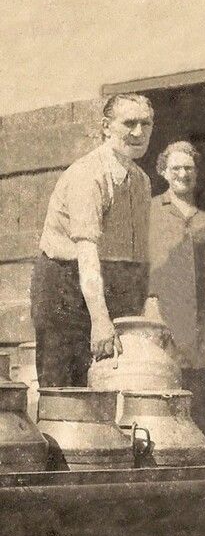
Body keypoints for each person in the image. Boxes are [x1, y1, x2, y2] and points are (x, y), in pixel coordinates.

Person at [30, 93, 154, 387]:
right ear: (106, 127)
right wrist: (100, 321)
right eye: (129, 123)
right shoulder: (89, 175)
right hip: (67, 286)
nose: (138, 132)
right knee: (66, 391)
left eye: (146, 124)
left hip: (111, 284)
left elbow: (139, 256)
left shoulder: (142, 180)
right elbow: (87, 253)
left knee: (116, 383)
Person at [148, 141, 205, 370]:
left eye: (188, 168)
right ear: (163, 172)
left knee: (198, 376)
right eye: (176, 168)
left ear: (196, 173)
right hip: (160, 311)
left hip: (200, 316)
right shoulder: (150, 210)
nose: (183, 174)